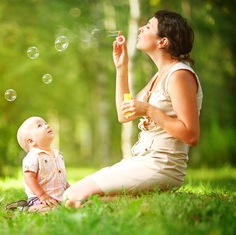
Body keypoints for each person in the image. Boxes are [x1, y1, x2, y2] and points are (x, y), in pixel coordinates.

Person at [63, 10, 203, 208]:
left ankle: (147, 199)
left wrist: (148, 110)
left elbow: (191, 135)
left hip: (162, 166)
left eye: (147, 26)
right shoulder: (159, 76)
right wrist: (122, 68)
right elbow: (124, 113)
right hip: (142, 161)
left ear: (162, 41)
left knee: (73, 198)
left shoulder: (179, 75)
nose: (140, 28)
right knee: (70, 195)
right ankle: (148, 200)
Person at [6, 116, 69, 212]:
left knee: (76, 201)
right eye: (40, 126)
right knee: (52, 209)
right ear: (31, 141)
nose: (46, 125)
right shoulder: (33, 156)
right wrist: (42, 196)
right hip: (39, 199)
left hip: (59, 197)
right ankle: (26, 208)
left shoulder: (57, 155)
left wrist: (70, 190)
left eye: (45, 123)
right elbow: (29, 178)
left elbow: (62, 179)